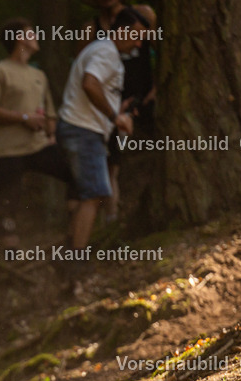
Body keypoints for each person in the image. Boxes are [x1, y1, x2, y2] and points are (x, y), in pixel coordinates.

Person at [57, 7, 146, 289]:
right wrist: (113, 117)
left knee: (89, 193)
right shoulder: (105, 52)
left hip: (83, 129)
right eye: (136, 36)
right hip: (83, 131)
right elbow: (90, 83)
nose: (139, 44)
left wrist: (118, 116)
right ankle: (75, 263)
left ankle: (68, 256)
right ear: (121, 29)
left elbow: (97, 87)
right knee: (95, 193)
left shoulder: (102, 51)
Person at [0, 17, 74, 246]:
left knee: (76, 175)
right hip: (8, 150)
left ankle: (72, 234)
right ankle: (10, 263)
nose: (37, 37)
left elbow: (50, 113)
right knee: (8, 204)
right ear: (20, 38)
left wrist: (51, 134)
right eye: (32, 33)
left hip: (39, 146)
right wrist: (23, 118)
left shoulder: (38, 75)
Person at [80, 2, 157, 223]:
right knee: (110, 165)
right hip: (112, 108)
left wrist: (156, 89)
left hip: (145, 99)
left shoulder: (143, 15)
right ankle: (111, 219)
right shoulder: (91, 29)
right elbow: (84, 69)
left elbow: (164, 51)